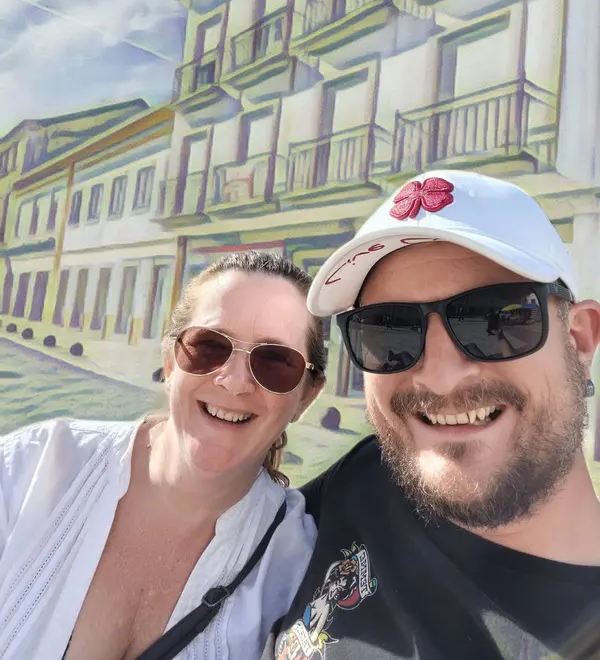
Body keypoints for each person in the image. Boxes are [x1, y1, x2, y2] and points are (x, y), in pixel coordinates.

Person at [263, 170, 600, 660]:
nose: (439, 379)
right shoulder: (365, 477)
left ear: (579, 340)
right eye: (389, 331)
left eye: (493, 319)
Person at [0, 251, 326, 660]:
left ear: (306, 396)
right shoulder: (31, 469)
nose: (234, 381)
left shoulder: (297, 566)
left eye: (275, 361)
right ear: (171, 361)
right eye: (209, 346)